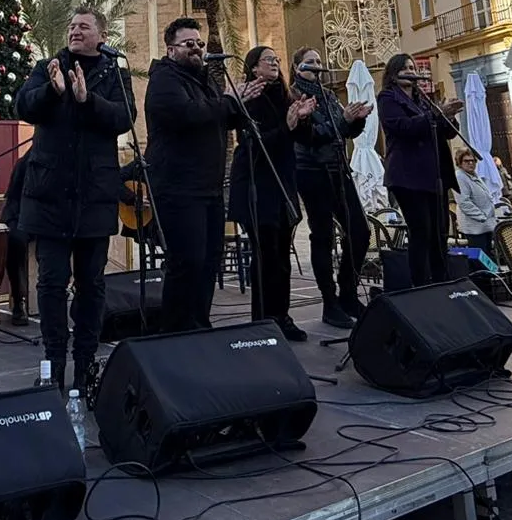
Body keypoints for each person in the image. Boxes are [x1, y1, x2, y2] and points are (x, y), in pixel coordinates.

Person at [13, 6, 135, 394]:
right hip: (49, 195)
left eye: (83, 26)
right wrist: (54, 90)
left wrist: (87, 100)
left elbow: (125, 116)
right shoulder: (48, 66)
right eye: (71, 26)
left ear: (101, 35)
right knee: (50, 283)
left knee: (91, 284)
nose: (74, 30)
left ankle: (84, 368)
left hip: (95, 196)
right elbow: (24, 106)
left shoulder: (115, 70)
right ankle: (52, 365)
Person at [144, 17, 259, 332]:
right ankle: (176, 331)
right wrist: (227, 103)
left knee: (209, 261)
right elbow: (187, 115)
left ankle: (199, 324)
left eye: (199, 43)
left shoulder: (204, 78)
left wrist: (241, 106)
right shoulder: (164, 80)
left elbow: (217, 117)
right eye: (188, 44)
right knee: (187, 262)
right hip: (178, 189)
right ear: (170, 50)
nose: (196, 49)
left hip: (207, 188)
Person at [228, 46, 315, 340]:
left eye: (277, 59)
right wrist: (287, 126)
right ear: (254, 68)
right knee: (265, 255)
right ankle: (262, 320)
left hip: (283, 184)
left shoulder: (286, 97)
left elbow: (303, 138)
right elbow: (254, 144)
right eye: (269, 60)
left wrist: (302, 119)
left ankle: (282, 316)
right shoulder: (250, 98)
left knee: (281, 255)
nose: (275, 63)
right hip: (256, 185)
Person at [290, 49, 372, 329]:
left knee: (360, 230)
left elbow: (344, 132)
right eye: (311, 62)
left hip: (338, 168)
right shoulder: (293, 96)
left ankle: (348, 291)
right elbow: (314, 134)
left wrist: (357, 119)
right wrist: (344, 121)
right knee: (322, 235)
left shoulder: (328, 95)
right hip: (311, 170)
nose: (317, 66)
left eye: (319, 61)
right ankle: (329, 301)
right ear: (297, 66)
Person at [377, 54, 459, 286]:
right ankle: (421, 284)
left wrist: (447, 115)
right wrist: (434, 115)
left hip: (434, 176)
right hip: (408, 177)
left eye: (412, 67)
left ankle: (441, 281)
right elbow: (402, 127)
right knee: (421, 231)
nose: (410, 70)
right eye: (404, 68)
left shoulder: (423, 100)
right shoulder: (388, 98)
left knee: (440, 232)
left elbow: (448, 133)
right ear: (393, 73)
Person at [1, 156, 31, 327]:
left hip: (51, 215)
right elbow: (13, 198)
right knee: (15, 239)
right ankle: (19, 300)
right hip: (22, 214)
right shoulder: (25, 162)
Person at [454, 150, 497, 258]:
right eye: (466, 161)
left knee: (486, 256)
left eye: (473, 161)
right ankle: (480, 275)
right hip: (474, 227)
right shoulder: (460, 177)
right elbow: (464, 202)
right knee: (479, 258)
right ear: (459, 162)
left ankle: (489, 274)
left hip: (485, 225)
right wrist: (481, 217)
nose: (471, 163)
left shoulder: (473, 175)